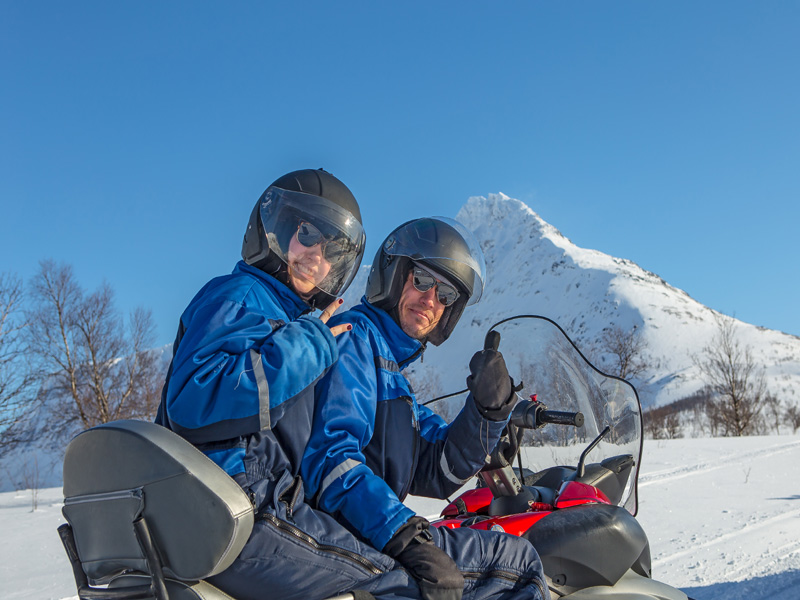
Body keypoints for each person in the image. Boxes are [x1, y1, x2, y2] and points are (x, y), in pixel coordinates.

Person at [155, 169, 423, 600]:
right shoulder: (242, 295)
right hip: (232, 506)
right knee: (394, 584)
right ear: (274, 230)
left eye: (332, 248)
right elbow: (192, 398)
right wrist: (305, 347)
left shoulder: (288, 316)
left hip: (248, 507)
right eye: (307, 233)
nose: (317, 254)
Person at [303, 217, 550, 600]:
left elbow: (440, 468)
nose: (431, 299)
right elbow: (333, 457)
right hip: (346, 536)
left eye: (447, 294)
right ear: (394, 274)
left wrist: (488, 410)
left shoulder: (393, 374)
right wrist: (406, 534)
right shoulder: (356, 340)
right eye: (421, 280)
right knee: (518, 565)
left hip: (364, 531)